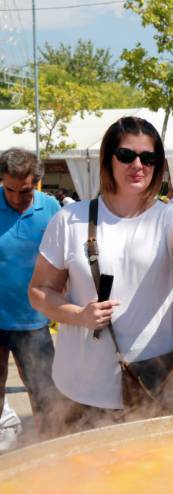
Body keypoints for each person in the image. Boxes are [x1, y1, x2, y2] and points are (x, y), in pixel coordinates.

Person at [28, 117, 173, 432]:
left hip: (156, 385)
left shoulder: (168, 217)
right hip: (83, 389)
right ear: (108, 160)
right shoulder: (70, 219)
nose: (138, 165)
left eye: (148, 158)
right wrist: (78, 315)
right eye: (126, 155)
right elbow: (40, 291)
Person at [0, 148, 61, 439]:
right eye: (8, 189)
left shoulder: (51, 209)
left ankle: (48, 452)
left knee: (45, 393)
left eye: (23, 191)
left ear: (36, 182)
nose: (15, 198)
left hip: (34, 320)